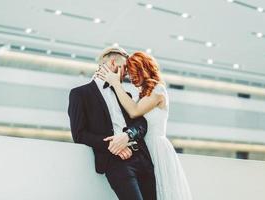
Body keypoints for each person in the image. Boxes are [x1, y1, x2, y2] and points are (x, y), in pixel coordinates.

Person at [95, 51, 194, 200]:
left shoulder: (158, 90)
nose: (132, 77)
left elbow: (134, 112)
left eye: (136, 73)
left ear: (145, 69)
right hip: (142, 150)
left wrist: (116, 83)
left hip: (157, 148)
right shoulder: (139, 93)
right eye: (130, 74)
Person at [68, 47, 157, 200]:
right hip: (116, 162)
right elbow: (79, 134)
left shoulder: (124, 94)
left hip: (143, 158)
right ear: (113, 63)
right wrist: (114, 145)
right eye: (125, 69)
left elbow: (142, 123)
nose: (127, 74)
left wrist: (127, 136)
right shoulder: (80, 94)